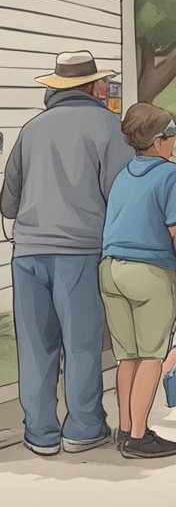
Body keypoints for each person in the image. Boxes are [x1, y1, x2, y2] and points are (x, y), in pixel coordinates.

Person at [0, 50, 128, 457]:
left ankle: (40, 432)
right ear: (93, 87)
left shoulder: (32, 129)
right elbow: (120, 195)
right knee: (82, 342)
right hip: (81, 249)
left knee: (36, 346)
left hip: (28, 253)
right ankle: (84, 426)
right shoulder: (110, 127)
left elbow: (8, 202)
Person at [99, 104, 176, 458]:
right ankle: (140, 436)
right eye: (171, 134)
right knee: (151, 356)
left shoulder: (124, 174)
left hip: (111, 269)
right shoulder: (170, 176)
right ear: (158, 141)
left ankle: (126, 428)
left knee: (126, 356)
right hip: (149, 271)